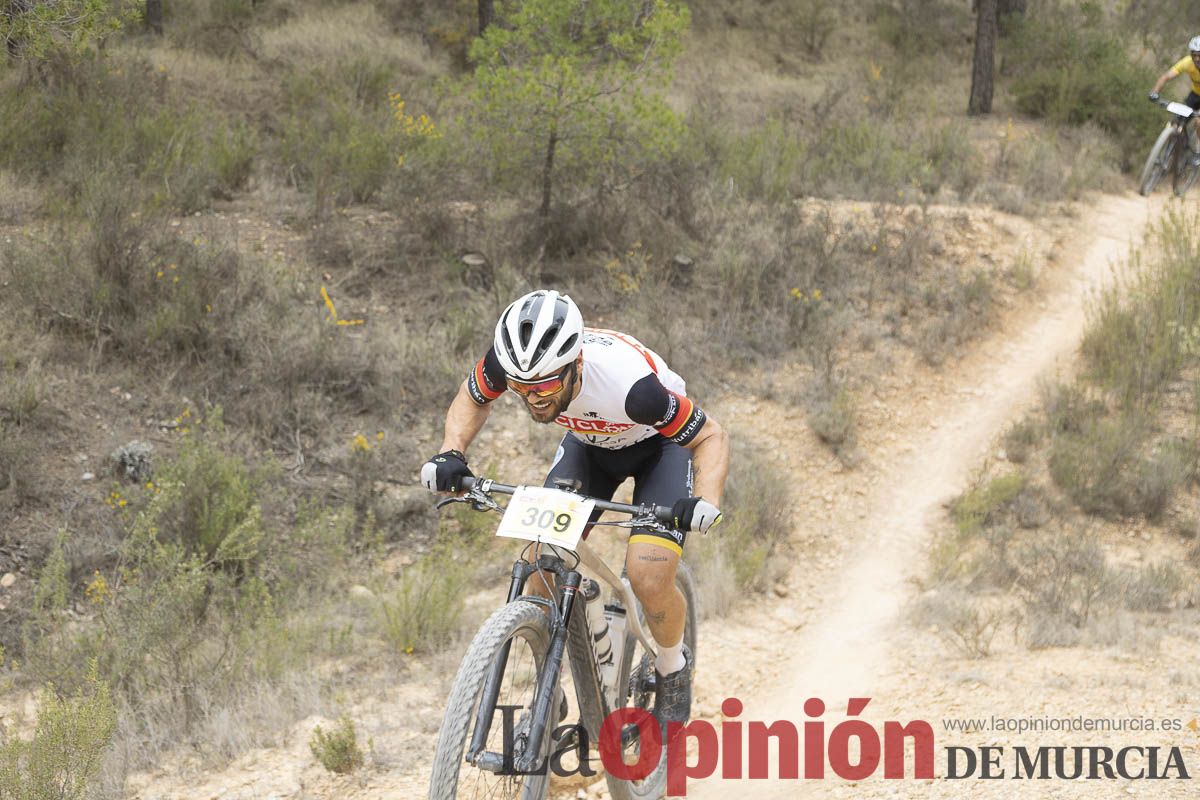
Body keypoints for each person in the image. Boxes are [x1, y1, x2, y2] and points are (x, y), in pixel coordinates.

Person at [421, 289, 729, 736]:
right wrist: (451, 453)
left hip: (659, 449)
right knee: (538, 567)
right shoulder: (510, 364)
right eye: (523, 390)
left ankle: (672, 666)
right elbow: (473, 399)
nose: (535, 400)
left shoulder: (634, 390)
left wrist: (705, 501)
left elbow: (710, 436)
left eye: (546, 386)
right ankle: (551, 686)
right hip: (589, 447)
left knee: (646, 574)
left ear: (576, 365)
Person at [1150, 35, 1200, 165]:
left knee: (1198, 122)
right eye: (1194, 55)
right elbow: (1166, 76)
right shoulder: (1187, 63)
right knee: (1176, 121)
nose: (1197, 58)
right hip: (1194, 95)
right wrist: (1155, 92)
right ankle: (1169, 151)